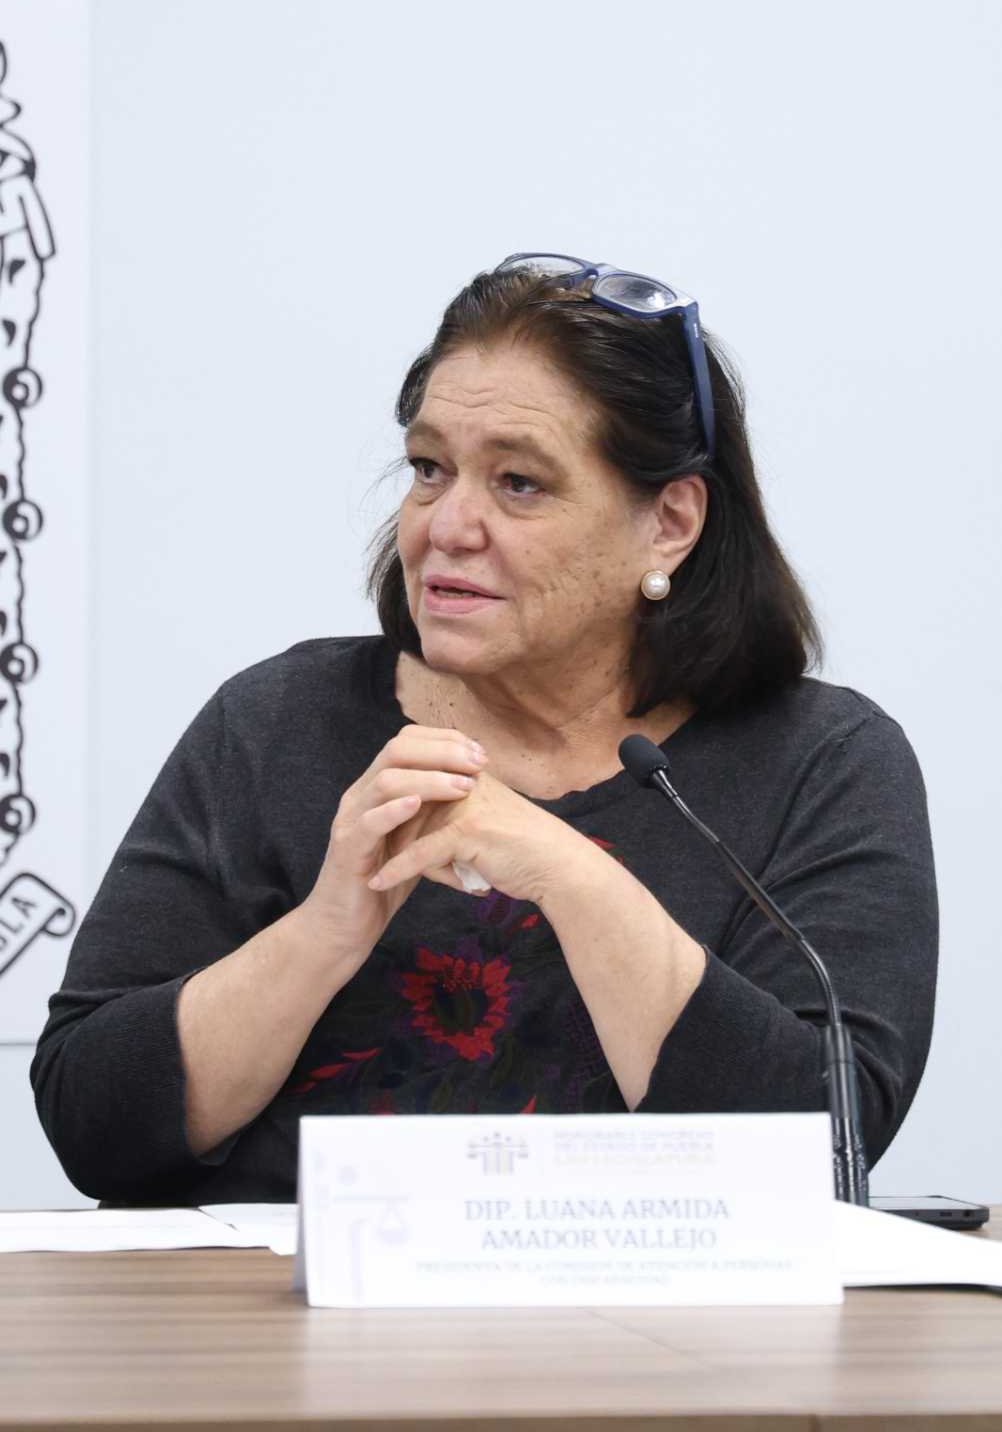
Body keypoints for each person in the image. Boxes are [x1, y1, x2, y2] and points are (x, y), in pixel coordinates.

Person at [31, 254, 938, 1205]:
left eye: (519, 483)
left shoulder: (823, 764)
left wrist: (572, 877)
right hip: (276, 1298)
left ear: (669, 523)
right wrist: (323, 933)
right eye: (430, 469)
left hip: (643, 1304)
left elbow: (820, 1155)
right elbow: (92, 1125)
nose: (446, 527)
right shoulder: (275, 723)